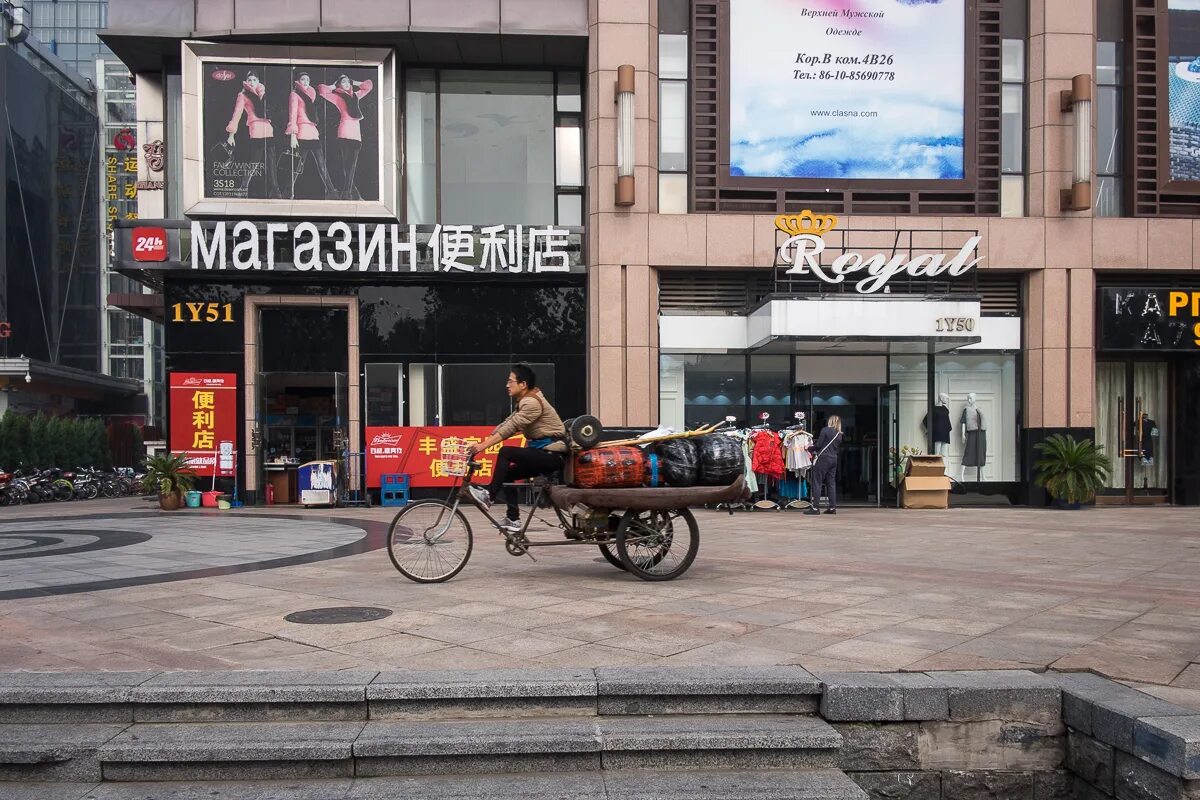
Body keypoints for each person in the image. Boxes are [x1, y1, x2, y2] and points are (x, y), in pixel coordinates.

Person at [465, 365, 568, 533]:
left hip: (552, 455)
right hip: (543, 453)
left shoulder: (532, 403)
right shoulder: (526, 400)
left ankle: (489, 496)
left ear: (523, 384)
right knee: (507, 473)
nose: (507, 385)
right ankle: (513, 519)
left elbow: (511, 428)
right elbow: (507, 422)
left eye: (510, 381)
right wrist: (488, 439)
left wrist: (482, 447)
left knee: (506, 452)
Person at [225, 71, 282, 199]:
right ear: (246, 81)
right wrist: (231, 134)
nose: (252, 82)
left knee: (271, 161)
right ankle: (243, 187)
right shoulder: (243, 95)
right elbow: (237, 114)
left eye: (254, 79)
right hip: (256, 127)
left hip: (268, 127)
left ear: (258, 81)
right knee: (255, 161)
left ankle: (275, 190)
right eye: (249, 79)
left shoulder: (263, 92)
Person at [318, 74, 373, 200]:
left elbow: (369, 85)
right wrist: (333, 85)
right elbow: (322, 90)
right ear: (339, 85)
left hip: (356, 133)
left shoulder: (356, 96)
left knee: (351, 165)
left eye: (348, 82)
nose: (347, 84)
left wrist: (354, 81)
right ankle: (348, 193)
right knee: (348, 165)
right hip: (344, 131)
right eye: (344, 82)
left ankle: (350, 193)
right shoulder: (337, 97)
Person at [284, 72, 337, 199]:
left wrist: (333, 87)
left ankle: (331, 192)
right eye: (303, 79)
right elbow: (293, 114)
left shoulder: (311, 95)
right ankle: (288, 192)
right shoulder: (295, 94)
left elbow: (321, 90)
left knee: (322, 165)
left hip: (313, 133)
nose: (306, 81)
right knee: (297, 166)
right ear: (298, 81)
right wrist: (293, 135)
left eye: (308, 79)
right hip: (301, 133)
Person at [804, 414, 843, 516]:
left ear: (830, 421)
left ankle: (816, 508)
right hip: (834, 459)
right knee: (831, 483)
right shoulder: (839, 434)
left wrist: (809, 448)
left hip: (823, 458)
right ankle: (832, 507)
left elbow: (819, 445)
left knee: (817, 482)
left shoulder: (825, 430)